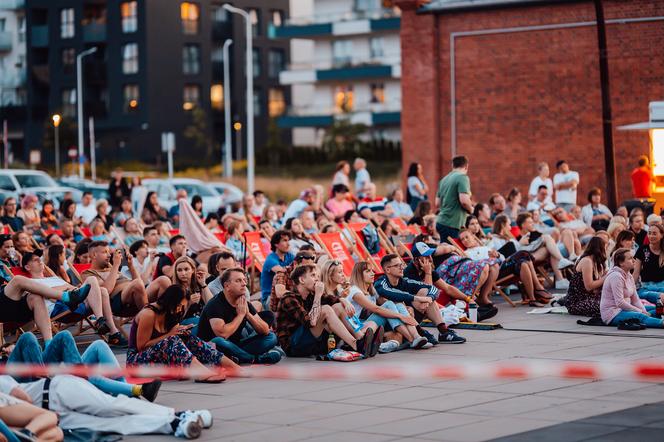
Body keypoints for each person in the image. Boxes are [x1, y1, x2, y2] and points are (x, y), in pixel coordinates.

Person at [0, 373, 211, 439]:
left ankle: (181, 414)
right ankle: (174, 425)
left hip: (56, 390)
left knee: (111, 406)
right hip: (54, 415)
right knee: (112, 424)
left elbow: (22, 399)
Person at [128, 284, 237, 382]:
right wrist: (170, 334)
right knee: (171, 340)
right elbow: (141, 347)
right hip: (137, 361)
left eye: (182, 306)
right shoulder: (149, 314)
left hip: (159, 358)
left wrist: (180, 332)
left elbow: (172, 338)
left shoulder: (172, 314)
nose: (180, 309)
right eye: (179, 305)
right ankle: (201, 373)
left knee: (189, 338)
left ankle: (233, 367)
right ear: (170, 301)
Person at [275, 264, 378, 357]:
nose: (317, 279)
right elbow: (310, 322)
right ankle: (355, 344)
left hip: (312, 342)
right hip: (294, 346)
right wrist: (318, 295)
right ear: (302, 280)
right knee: (325, 309)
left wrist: (345, 301)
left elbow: (333, 299)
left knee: (338, 306)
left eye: (317, 276)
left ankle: (361, 339)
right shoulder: (288, 298)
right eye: (313, 276)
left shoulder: (310, 295)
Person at [197, 268, 281, 364]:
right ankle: (255, 359)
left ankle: (238, 357)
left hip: (235, 346)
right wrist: (240, 315)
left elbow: (265, 330)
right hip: (210, 348)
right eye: (238, 281)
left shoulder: (243, 302)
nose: (244, 284)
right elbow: (223, 334)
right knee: (218, 341)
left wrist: (248, 314)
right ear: (227, 286)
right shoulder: (214, 304)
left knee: (271, 337)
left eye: (244, 280)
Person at [375, 253, 466, 343]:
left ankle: (443, 331)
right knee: (401, 304)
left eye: (402, 264)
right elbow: (393, 294)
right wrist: (419, 299)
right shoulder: (381, 283)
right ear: (387, 269)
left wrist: (429, 298)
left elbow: (432, 288)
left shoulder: (404, 281)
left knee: (425, 293)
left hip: (407, 317)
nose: (402, 267)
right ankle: (420, 332)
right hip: (389, 322)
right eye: (397, 265)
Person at [347, 261, 429, 352]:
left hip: (369, 324)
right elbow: (376, 309)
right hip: (356, 328)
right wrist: (401, 316)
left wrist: (405, 308)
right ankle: (411, 339)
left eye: (372, 271)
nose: (372, 273)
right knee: (389, 305)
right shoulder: (354, 291)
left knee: (397, 304)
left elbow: (387, 302)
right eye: (368, 271)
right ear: (359, 275)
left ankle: (416, 336)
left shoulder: (371, 290)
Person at [458, 230, 551, 307]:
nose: (465, 240)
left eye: (467, 237)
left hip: (502, 266)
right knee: (523, 254)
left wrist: (497, 255)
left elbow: (502, 258)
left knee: (524, 263)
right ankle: (538, 288)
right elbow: (476, 267)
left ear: (473, 236)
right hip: (493, 273)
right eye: (462, 239)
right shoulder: (468, 253)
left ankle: (532, 299)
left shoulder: (485, 247)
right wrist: (489, 259)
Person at [82, 241, 166, 317]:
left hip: (138, 294)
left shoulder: (112, 269)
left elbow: (141, 283)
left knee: (163, 280)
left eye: (108, 252)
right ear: (93, 255)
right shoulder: (88, 273)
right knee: (136, 284)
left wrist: (131, 266)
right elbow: (106, 290)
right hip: (119, 303)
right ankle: (150, 320)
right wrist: (116, 265)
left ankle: (166, 318)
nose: (109, 255)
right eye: (104, 252)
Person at [0, 273, 90, 344]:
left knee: (36, 297)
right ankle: (67, 298)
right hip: (4, 309)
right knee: (17, 280)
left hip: (11, 306)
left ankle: (49, 344)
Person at [600, 248, 663, 329]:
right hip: (613, 313)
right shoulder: (616, 276)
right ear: (621, 263)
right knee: (640, 316)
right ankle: (660, 322)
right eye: (630, 258)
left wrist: (643, 311)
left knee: (655, 309)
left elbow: (635, 299)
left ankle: (655, 318)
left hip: (624, 309)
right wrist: (640, 312)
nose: (634, 260)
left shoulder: (629, 275)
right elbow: (620, 302)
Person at [516, 212, 574, 289]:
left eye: (532, 222)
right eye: (530, 222)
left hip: (542, 253)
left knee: (551, 246)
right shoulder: (519, 238)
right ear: (523, 225)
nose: (533, 224)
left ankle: (561, 279)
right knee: (547, 238)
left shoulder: (535, 233)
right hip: (530, 257)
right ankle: (562, 265)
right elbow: (518, 251)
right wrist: (521, 243)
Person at [564, 236, 607, 317]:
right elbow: (589, 286)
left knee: (611, 302)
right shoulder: (587, 261)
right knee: (605, 307)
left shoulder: (595, 262)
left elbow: (594, 290)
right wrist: (605, 278)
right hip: (577, 302)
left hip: (588, 297)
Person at [435, 156, 473, 241]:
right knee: (453, 252)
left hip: (441, 221)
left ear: (452, 165)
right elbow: (464, 201)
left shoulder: (443, 180)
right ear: (466, 166)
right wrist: (471, 209)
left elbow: (437, 203)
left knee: (445, 251)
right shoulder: (462, 177)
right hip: (453, 223)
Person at [260, 230, 295, 310]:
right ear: (276, 244)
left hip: (285, 292)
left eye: (288, 240)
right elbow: (281, 272)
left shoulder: (289, 256)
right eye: (284, 240)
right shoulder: (270, 259)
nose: (288, 243)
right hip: (269, 298)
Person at [633, 224, 664, 303]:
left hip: (662, 285)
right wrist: (630, 289)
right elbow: (636, 273)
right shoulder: (643, 249)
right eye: (649, 233)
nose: (651, 236)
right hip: (647, 286)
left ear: (661, 235)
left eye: (654, 233)